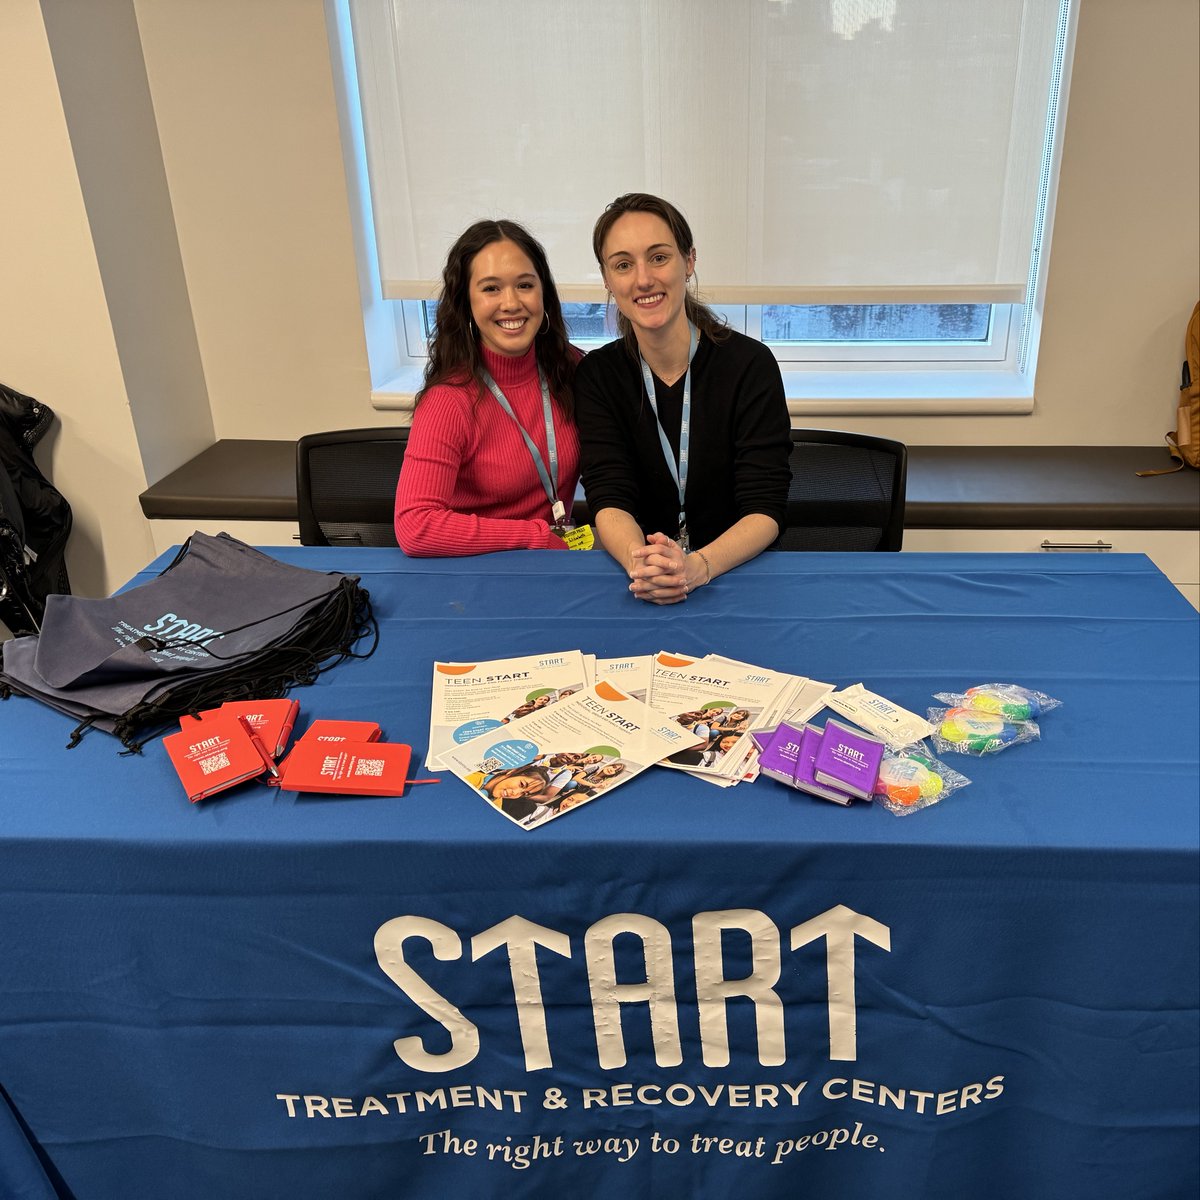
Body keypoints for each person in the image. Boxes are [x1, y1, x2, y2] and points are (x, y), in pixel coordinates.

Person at [574, 194, 791, 604]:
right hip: (641, 583)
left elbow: (765, 509)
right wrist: (644, 566)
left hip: (738, 578)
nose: (643, 280)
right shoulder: (597, 376)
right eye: (623, 264)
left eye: (658, 257)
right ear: (607, 279)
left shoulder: (750, 366)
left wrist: (700, 566)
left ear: (689, 262)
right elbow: (609, 497)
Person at [394, 220, 580, 556]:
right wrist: (532, 536)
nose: (511, 303)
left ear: (544, 294)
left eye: (524, 285)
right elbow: (415, 527)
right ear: (466, 302)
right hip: (478, 572)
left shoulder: (573, 370)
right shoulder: (448, 400)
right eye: (491, 289)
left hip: (554, 563)